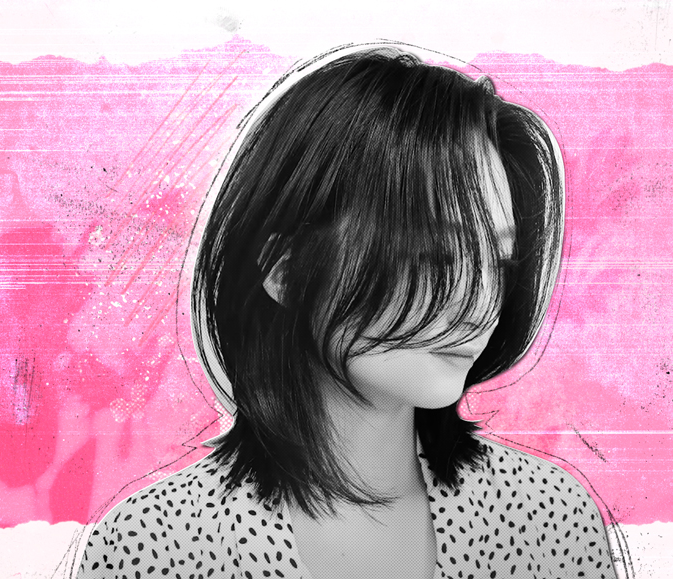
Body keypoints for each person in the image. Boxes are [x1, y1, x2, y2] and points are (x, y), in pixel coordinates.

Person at [76, 45, 618, 579]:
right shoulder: (155, 543)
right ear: (286, 271)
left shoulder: (549, 518)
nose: (479, 304)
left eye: (498, 262)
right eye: (433, 255)